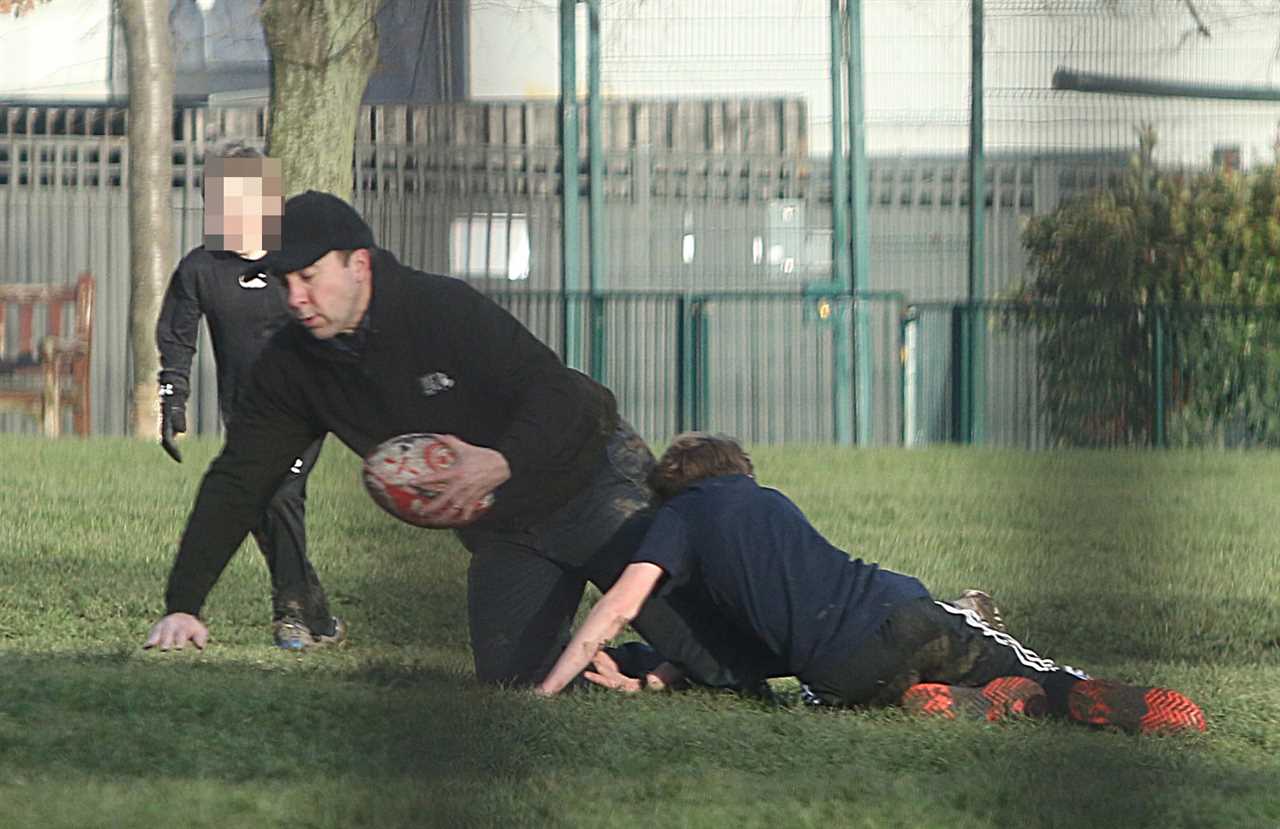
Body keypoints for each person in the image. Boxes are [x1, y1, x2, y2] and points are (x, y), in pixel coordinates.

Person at [142, 190, 749, 692]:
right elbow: (240, 480)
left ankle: (791, 663)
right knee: (513, 681)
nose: (295, 299)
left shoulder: (441, 308)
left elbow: (565, 396)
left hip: (588, 480)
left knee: (718, 656)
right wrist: (184, 603)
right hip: (506, 531)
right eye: (282, 282)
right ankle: (642, 671)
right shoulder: (292, 367)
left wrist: (502, 460)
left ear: (359, 263)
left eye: (308, 277)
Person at [536, 432, 1207, 735]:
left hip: (836, 674)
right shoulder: (765, 499)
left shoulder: (677, 523)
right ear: (736, 468)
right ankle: (1074, 689)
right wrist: (557, 689)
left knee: (870, 690)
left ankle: (964, 703)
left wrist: (604, 679)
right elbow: (623, 607)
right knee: (997, 646)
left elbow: (625, 606)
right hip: (896, 611)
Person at [155, 145, 344, 651]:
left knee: (281, 493)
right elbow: (177, 335)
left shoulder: (299, 263)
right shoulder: (201, 267)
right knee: (262, 505)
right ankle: (317, 611)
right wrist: (173, 399)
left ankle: (290, 615)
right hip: (245, 414)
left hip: (306, 409)